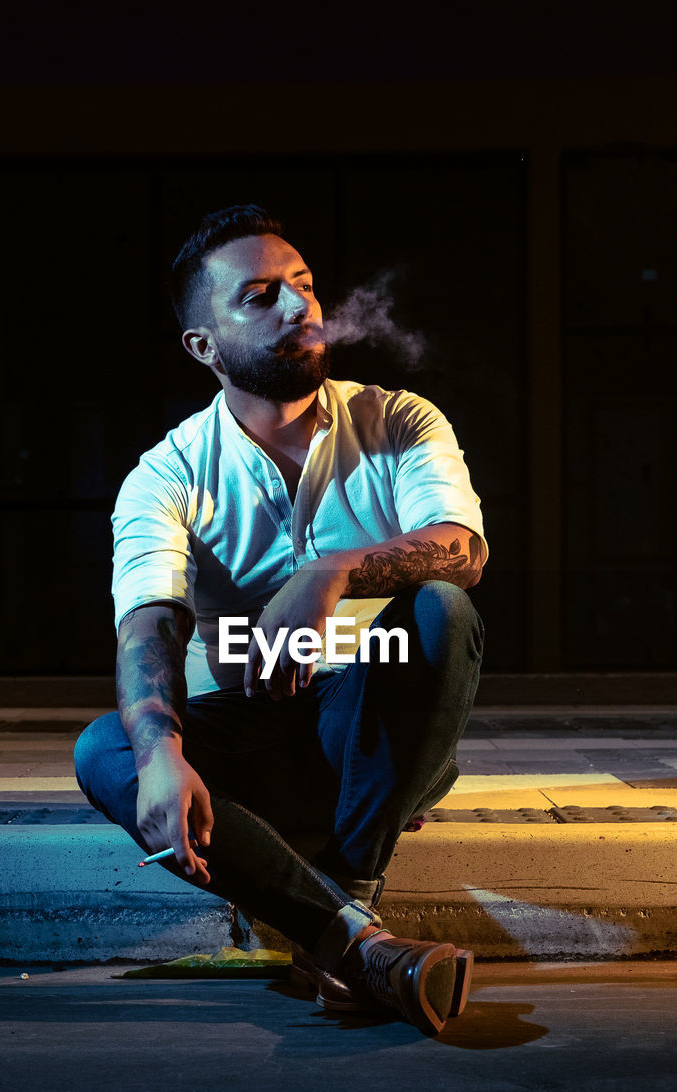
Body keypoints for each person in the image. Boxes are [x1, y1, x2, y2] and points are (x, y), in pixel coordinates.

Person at [75, 204, 487, 1037]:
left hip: (368, 736)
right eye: (260, 297)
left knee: (441, 607)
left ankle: (346, 902)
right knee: (110, 749)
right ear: (204, 345)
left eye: (303, 287)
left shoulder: (400, 420)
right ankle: (363, 947)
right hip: (246, 744)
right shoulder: (167, 474)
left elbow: (463, 548)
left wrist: (328, 571)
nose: (300, 308)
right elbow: (145, 627)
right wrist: (160, 753)